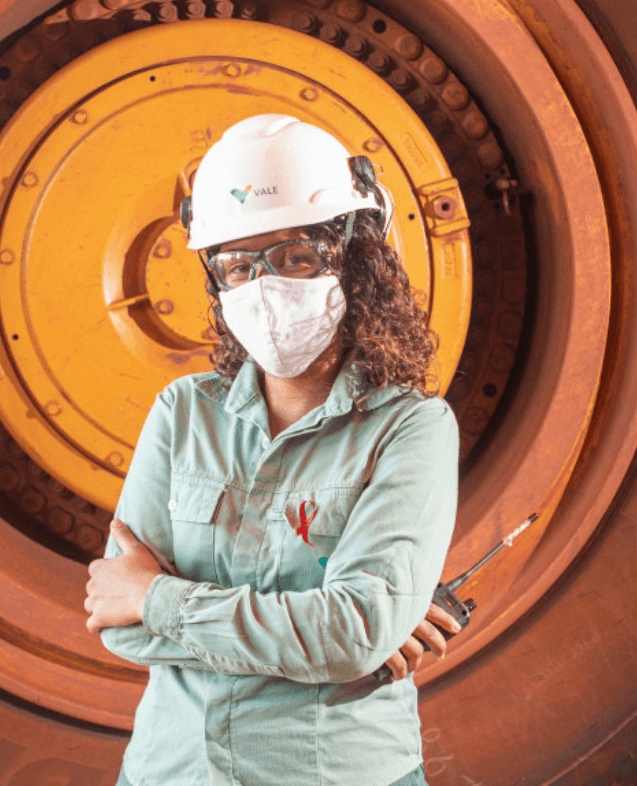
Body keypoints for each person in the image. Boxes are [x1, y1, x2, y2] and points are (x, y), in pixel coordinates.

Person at [82, 113, 459, 786]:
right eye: (235, 266)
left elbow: (348, 634)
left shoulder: (413, 428)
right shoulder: (182, 412)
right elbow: (119, 624)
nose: (263, 286)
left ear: (355, 254)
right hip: (173, 772)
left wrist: (160, 598)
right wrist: (331, 641)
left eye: (292, 257)